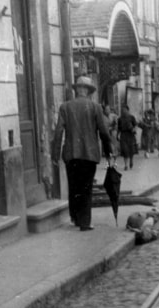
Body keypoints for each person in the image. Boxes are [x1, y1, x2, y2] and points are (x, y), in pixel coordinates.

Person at [51, 76, 112, 231]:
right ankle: (84, 222)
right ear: (88, 91)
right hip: (89, 154)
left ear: (77, 90)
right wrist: (108, 151)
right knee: (86, 187)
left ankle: (75, 217)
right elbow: (104, 132)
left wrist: (55, 154)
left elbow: (58, 132)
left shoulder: (65, 107)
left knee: (74, 186)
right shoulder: (95, 107)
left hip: (71, 154)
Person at [117, 104, 137, 170]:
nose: (123, 111)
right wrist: (118, 135)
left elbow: (135, 125)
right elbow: (119, 128)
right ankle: (126, 165)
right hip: (123, 135)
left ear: (128, 110)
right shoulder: (120, 119)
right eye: (122, 110)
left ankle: (131, 160)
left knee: (131, 149)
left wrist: (133, 129)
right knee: (124, 150)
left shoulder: (132, 117)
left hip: (130, 135)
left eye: (125, 110)